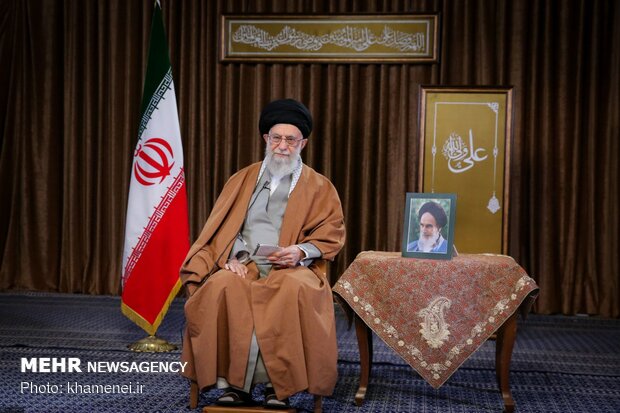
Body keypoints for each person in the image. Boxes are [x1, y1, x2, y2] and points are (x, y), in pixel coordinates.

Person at [180, 99, 346, 409]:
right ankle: (235, 386)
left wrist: (300, 251)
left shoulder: (320, 186)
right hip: (244, 263)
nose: (283, 146)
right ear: (266, 139)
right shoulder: (241, 180)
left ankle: (277, 388)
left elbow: (331, 232)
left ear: (303, 143)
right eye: (276, 138)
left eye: (291, 140)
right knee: (222, 286)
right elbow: (219, 230)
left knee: (290, 290)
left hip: (292, 267)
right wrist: (230, 258)